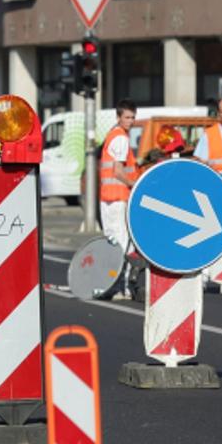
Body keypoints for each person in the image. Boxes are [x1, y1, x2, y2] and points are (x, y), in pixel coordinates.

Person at [98, 99, 139, 300]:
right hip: (118, 197)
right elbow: (118, 171)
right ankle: (120, 287)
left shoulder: (112, 135)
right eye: (127, 117)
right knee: (122, 242)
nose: (130, 121)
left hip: (107, 197)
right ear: (118, 117)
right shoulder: (121, 138)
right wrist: (134, 184)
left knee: (112, 240)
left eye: (133, 117)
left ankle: (111, 284)